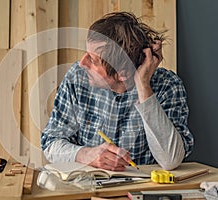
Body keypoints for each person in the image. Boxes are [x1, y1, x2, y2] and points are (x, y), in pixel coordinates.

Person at [41, 12, 194, 171]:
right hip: (88, 186)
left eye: (93, 60)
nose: (81, 63)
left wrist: (143, 86)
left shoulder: (167, 85)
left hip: (143, 190)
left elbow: (171, 160)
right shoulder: (77, 78)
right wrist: (87, 155)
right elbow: (50, 143)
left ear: (123, 74)